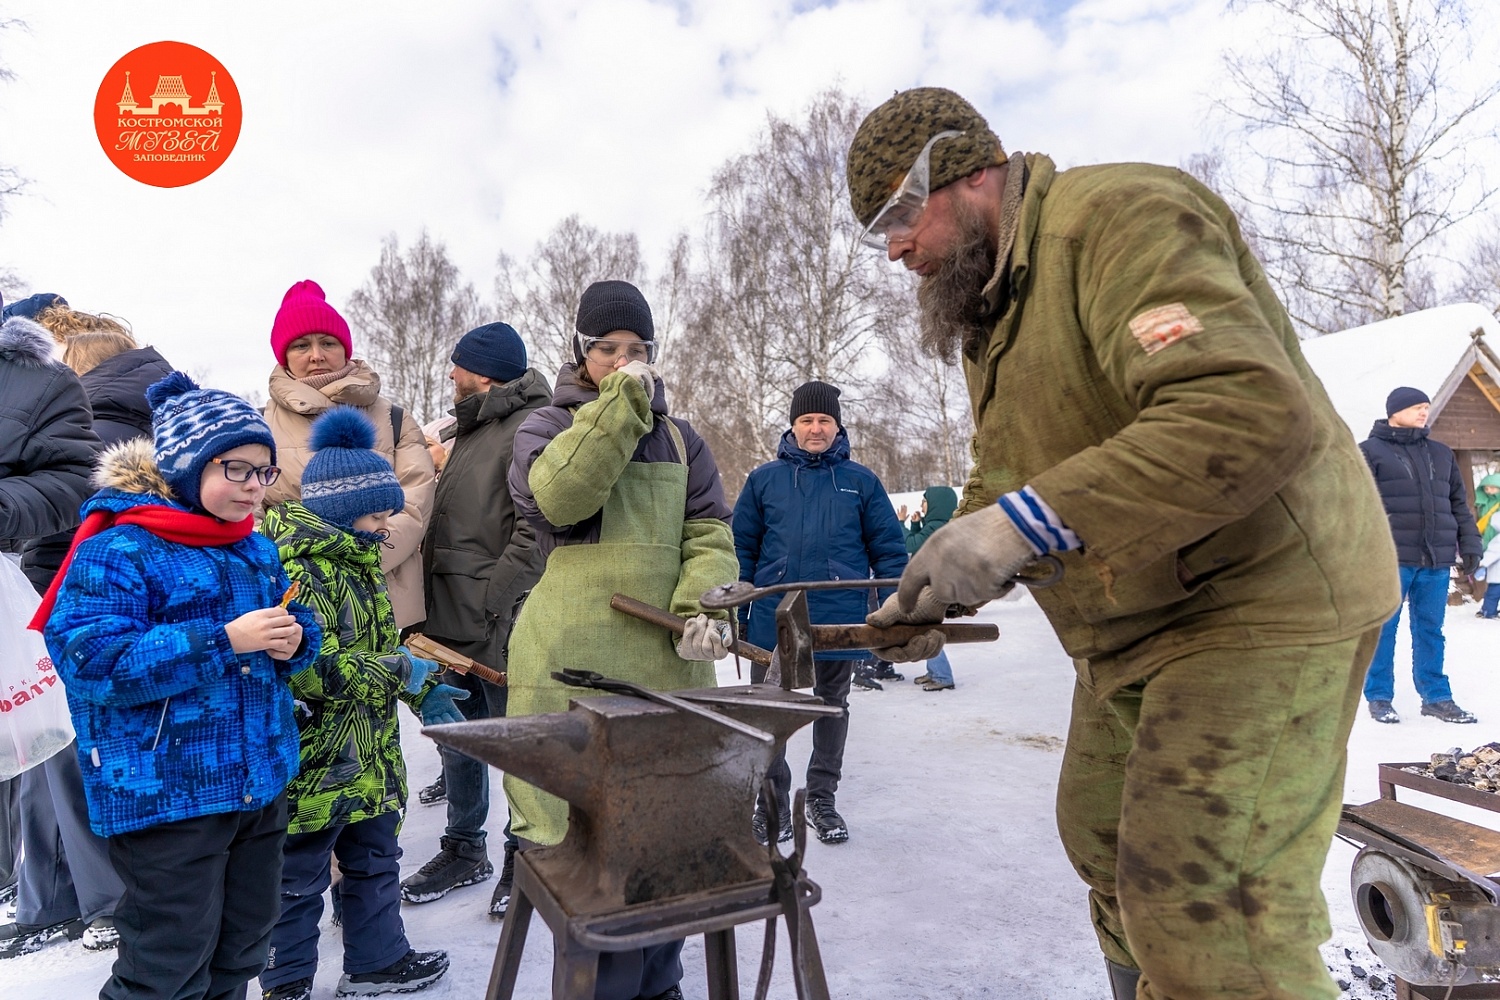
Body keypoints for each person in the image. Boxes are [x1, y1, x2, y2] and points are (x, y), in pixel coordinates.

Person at [846, 87, 1399, 1000]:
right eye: (881, 233)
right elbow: (1008, 471)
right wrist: (939, 575)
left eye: (903, 216)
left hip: (1258, 601)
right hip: (1136, 620)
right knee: (1101, 833)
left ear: (972, 170)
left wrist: (1013, 527)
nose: (898, 247)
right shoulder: (997, 313)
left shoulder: (1116, 219)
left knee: (1204, 908)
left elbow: (1245, 410)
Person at [39, 372, 320, 1000]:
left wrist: (295, 639)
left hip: (257, 782)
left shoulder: (254, 548)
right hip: (167, 796)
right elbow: (93, 661)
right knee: (168, 959)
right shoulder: (119, 550)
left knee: (243, 944)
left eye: (264, 472)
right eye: (237, 469)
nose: (254, 487)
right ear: (189, 468)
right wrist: (225, 640)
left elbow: (288, 630)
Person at [507, 279, 737, 1000]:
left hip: (666, 674)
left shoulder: (683, 440)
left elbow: (707, 532)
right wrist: (620, 406)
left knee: (664, 854)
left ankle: (662, 988)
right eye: (608, 350)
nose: (624, 361)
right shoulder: (545, 428)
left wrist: (704, 607)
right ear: (581, 353)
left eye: (638, 351)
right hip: (569, 671)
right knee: (590, 879)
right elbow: (562, 496)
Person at [259, 407, 457, 1000]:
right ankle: (287, 981)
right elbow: (311, 669)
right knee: (296, 878)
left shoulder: (359, 561)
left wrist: (419, 684)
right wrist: (401, 671)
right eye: (377, 513)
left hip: (367, 755)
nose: (385, 525)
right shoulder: (301, 571)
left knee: (375, 860)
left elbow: (373, 647)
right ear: (343, 511)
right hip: (315, 760)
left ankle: (377, 961)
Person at [4, 319, 167, 959]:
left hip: (67, 593)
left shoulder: (97, 419)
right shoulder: (116, 412)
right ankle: (51, 896)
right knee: (44, 749)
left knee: (70, 756)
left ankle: (101, 901)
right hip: (51, 588)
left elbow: (76, 503)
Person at [401, 323, 549, 918]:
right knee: (458, 738)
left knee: (512, 744)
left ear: (483, 373)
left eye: (458, 366)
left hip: (494, 616)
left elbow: (535, 527)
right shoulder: (474, 426)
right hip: (447, 615)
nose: (451, 376)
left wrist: (495, 597)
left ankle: (524, 855)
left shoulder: (525, 429)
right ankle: (465, 848)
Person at [733, 381, 908, 846]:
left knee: (832, 708)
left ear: (837, 426)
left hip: (839, 618)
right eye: (807, 420)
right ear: (792, 425)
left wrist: (897, 607)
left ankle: (821, 799)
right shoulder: (763, 480)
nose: (815, 428)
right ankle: (771, 801)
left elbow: (889, 550)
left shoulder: (861, 482)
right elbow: (740, 551)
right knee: (770, 712)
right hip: (774, 617)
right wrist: (737, 606)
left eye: (824, 420)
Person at [0, 310, 100, 952]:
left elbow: (75, 478)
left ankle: (92, 897)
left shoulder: (35, 379)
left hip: (25, 590)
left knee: (45, 747)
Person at [261, 280, 435, 629]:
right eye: (301, 345)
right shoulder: (259, 424)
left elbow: (414, 507)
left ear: (345, 348)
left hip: (384, 599)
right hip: (294, 599)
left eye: (327, 342)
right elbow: (250, 512)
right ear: (284, 356)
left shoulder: (395, 419)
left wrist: (358, 562)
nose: (316, 355)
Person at [1358, 387, 1480, 723]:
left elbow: (1459, 504)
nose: (1423, 412)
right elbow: (1356, 506)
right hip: (1390, 558)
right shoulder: (1369, 452)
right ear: (1393, 411)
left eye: (1426, 407)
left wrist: (1469, 544)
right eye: (1415, 407)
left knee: (1431, 630)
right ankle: (1380, 697)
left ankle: (1436, 697)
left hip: (1435, 559)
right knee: (1384, 628)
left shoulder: (1441, 454)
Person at [899, 486, 959, 691]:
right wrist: (916, 525)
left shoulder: (936, 528)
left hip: (932, 589)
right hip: (933, 585)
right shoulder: (937, 525)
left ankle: (942, 676)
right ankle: (935, 671)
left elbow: (910, 544)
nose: (922, 504)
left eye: (925, 501)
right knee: (927, 628)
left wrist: (902, 523)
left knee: (928, 630)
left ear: (936, 504)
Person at [1474, 472, 1500, 619]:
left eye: (1493, 488)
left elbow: (1494, 551)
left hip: (1497, 573)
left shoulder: (1498, 539)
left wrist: (1482, 565)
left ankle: (1488, 611)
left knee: (1493, 592)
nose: (1489, 491)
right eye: (1487, 488)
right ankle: (1488, 610)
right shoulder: (1484, 504)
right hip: (1496, 571)